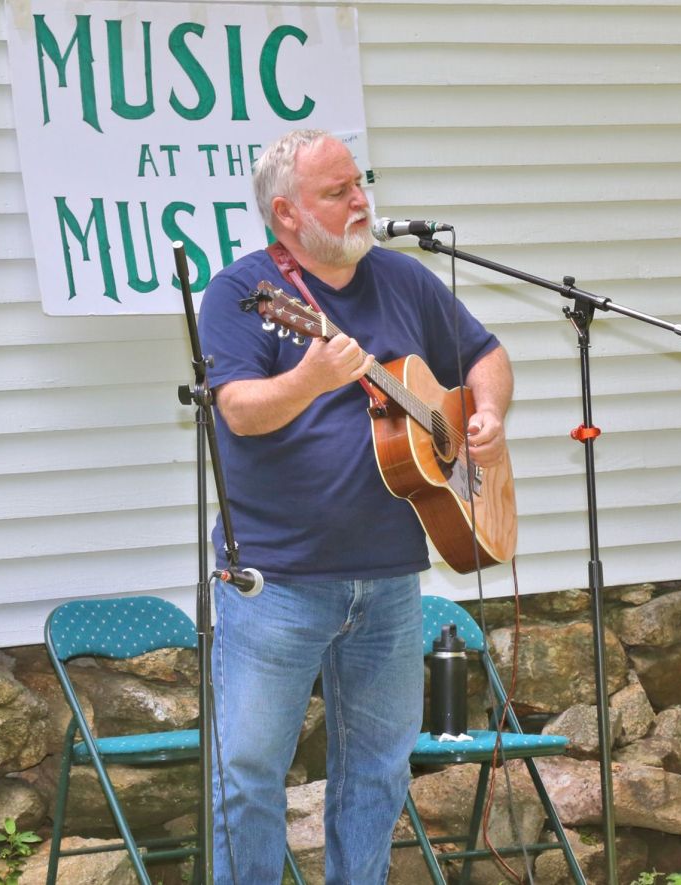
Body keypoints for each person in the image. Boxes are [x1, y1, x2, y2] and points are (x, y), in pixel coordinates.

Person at [197, 129, 513, 884]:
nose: (361, 201)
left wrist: (488, 418)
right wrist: (309, 378)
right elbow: (237, 410)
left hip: (391, 581)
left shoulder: (403, 280)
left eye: (359, 182)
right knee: (247, 772)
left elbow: (485, 356)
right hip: (277, 580)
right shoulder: (244, 293)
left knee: (376, 771)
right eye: (338, 192)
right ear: (286, 213)